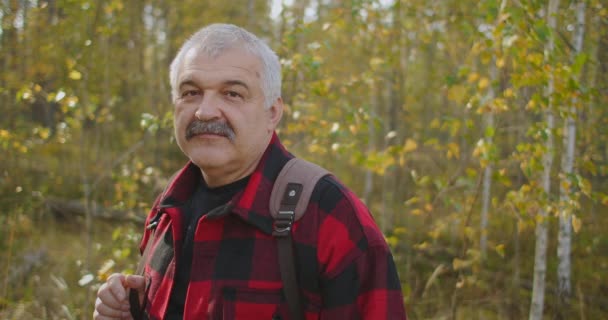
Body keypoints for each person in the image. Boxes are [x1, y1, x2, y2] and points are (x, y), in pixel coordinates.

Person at [93, 23, 407, 320]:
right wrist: (125, 311)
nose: (205, 111)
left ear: (272, 112)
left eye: (232, 93)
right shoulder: (167, 209)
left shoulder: (328, 216)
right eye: (191, 92)